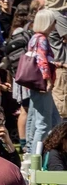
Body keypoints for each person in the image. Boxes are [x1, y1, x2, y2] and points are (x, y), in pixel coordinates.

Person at [25, 9, 61, 150]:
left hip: (34, 85)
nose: (55, 25)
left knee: (53, 120)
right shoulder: (42, 39)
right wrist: (48, 79)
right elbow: (41, 60)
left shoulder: (34, 38)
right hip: (41, 85)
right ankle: (36, 158)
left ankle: (41, 151)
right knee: (43, 124)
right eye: (53, 22)